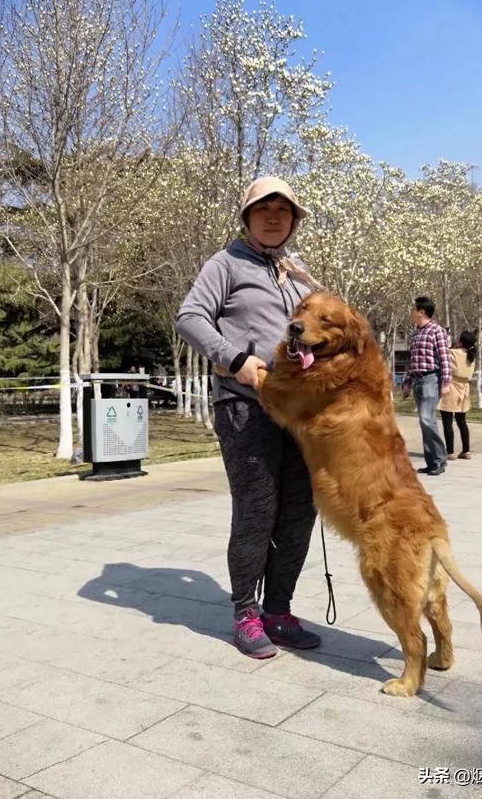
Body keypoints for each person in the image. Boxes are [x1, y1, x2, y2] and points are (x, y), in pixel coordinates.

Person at [176, 176, 322, 660]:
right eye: (265, 209)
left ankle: (278, 610)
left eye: (284, 210)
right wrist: (237, 360)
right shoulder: (225, 263)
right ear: (247, 217)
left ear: (294, 220)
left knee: (300, 512)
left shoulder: (295, 270)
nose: (275, 217)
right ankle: (246, 612)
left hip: (299, 412)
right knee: (258, 511)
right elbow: (190, 318)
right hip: (246, 407)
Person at [401, 296, 451, 476]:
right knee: (425, 422)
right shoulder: (415, 334)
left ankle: (439, 459)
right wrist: (406, 383)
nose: (411, 312)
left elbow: (444, 358)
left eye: (413, 309)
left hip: (432, 379)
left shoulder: (436, 331)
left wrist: (446, 382)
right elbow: (412, 361)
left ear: (421, 311)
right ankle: (431, 462)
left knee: (426, 419)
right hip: (418, 380)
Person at [439, 331, 476, 460]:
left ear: (461, 341)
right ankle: (466, 450)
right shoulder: (471, 356)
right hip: (464, 389)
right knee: (462, 421)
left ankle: (450, 452)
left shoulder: (453, 353)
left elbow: (442, 354)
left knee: (447, 422)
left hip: (451, 387)